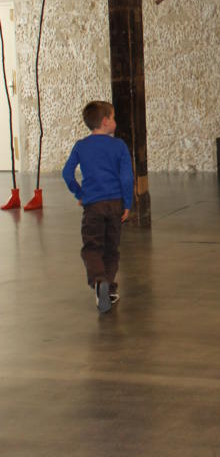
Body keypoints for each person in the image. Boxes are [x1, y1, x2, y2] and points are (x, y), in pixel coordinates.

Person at [62, 100, 133, 314]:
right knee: (111, 249)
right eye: (113, 117)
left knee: (92, 247)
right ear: (104, 121)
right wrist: (127, 203)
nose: (115, 121)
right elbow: (127, 178)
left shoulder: (81, 146)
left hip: (93, 206)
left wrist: (81, 193)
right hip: (114, 205)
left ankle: (100, 281)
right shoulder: (119, 146)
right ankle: (108, 288)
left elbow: (67, 173)